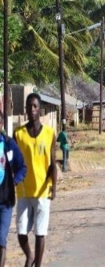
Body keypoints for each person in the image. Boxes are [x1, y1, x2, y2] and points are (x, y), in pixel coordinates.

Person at [13, 93, 57, 267]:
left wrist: (54, 188)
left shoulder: (49, 133)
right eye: (29, 106)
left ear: (40, 109)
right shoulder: (18, 134)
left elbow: (53, 163)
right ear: (25, 109)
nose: (32, 110)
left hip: (42, 190)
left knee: (40, 232)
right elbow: (13, 161)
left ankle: (37, 265)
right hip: (23, 190)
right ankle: (29, 256)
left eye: (35, 106)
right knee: (21, 231)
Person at [0, 112, 26, 267]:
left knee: (1, 239)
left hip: (5, 202)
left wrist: (14, 182)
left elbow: (22, 166)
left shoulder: (9, 144)